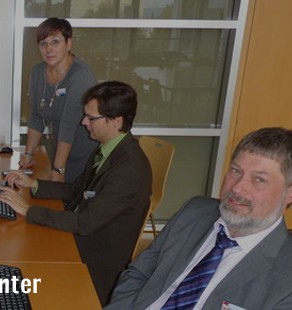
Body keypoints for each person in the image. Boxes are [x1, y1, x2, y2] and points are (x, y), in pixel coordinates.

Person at [0, 81, 152, 305]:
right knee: (16, 243)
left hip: (95, 259)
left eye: (91, 118)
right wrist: (33, 184)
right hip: (83, 237)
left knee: (19, 254)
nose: (83, 122)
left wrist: (29, 210)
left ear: (116, 121)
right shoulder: (108, 149)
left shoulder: (127, 171)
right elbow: (75, 190)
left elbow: (84, 223)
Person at [106, 127, 292, 310]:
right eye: (236, 170)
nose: (237, 188)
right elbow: (138, 274)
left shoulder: (286, 277)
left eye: (259, 179)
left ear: (288, 194)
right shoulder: (195, 212)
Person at [20, 17, 98, 183]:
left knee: (65, 200)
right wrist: (28, 154)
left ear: (68, 43)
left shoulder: (81, 75)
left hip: (83, 153)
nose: (48, 49)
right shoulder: (37, 72)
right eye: (43, 43)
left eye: (55, 42)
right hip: (59, 150)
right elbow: (36, 116)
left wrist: (58, 169)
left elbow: (68, 125)